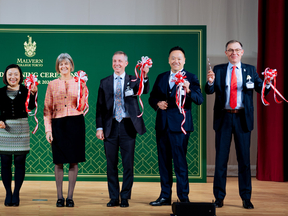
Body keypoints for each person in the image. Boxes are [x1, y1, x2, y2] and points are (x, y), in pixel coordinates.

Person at [205, 40, 270, 209]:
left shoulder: (250, 70)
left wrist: (268, 82)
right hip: (224, 118)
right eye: (230, 50)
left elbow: (262, 89)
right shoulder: (218, 69)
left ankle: (246, 197)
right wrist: (210, 82)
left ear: (242, 52)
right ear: (226, 53)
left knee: (244, 161)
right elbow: (209, 90)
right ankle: (219, 198)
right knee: (220, 161)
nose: (234, 53)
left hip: (242, 119)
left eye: (237, 50)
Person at [148, 46, 203, 206]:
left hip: (181, 126)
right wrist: (158, 103)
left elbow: (199, 100)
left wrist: (189, 89)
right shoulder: (161, 77)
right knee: (163, 163)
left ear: (184, 60)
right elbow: (152, 98)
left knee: (180, 162)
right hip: (162, 125)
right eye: (173, 58)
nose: (176, 61)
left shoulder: (191, 77)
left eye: (179, 58)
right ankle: (165, 196)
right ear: (168, 60)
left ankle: (183, 198)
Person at [96, 51, 150, 207]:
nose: (117, 63)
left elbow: (144, 90)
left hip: (128, 126)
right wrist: (99, 128)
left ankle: (125, 196)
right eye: (114, 61)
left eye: (120, 61)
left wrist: (144, 76)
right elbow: (99, 108)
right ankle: (114, 197)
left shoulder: (134, 80)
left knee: (128, 164)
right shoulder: (104, 82)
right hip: (110, 126)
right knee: (111, 164)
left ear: (126, 63)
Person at [0, 64, 37, 206]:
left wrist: (34, 94)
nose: (13, 77)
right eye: (10, 74)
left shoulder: (26, 90)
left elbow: (31, 107)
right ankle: (8, 193)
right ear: (5, 76)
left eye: (16, 74)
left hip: (21, 130)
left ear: (20, 76)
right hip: (4, 132)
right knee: (5, 163)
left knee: (19, 163)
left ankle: (16, 193)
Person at [44, 53, 87, 208]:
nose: (64, 67)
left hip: (76, 122)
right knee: (59, 161)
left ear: (71, 66)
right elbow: (47, 110)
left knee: (74, 160)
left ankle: (70, 197)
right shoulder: (51, 84)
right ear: (58, 67)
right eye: (61, 64)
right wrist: (48, 130)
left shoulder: (80, 82)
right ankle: (59, 197)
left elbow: (84, 105)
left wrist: (83, 91)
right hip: (58, 124)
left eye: (66, 64)